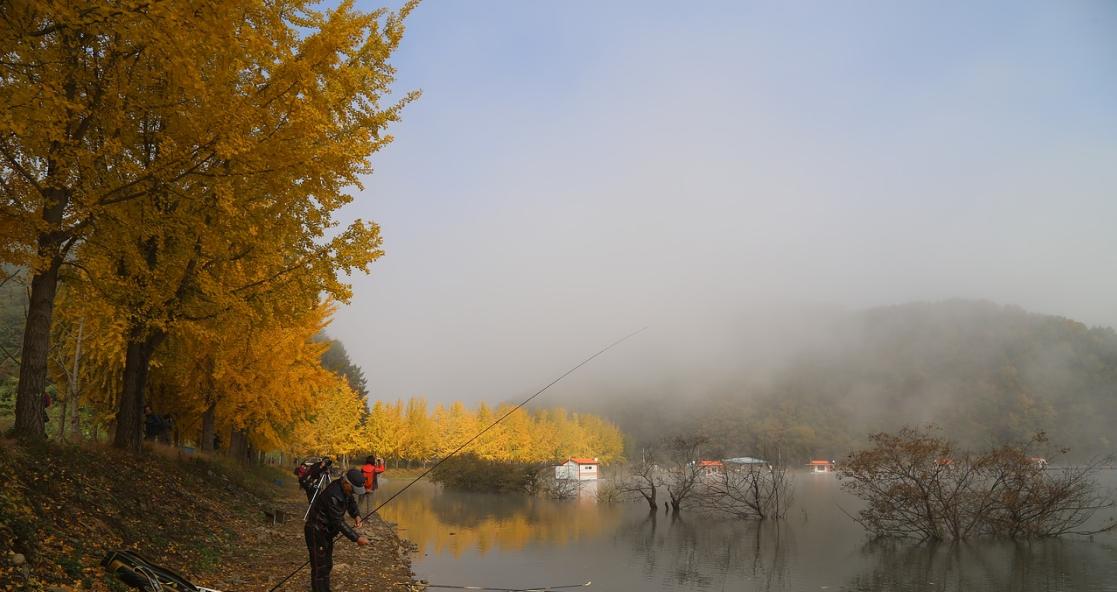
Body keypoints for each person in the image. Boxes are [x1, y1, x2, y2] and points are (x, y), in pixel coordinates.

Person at [305, 468, 369, 591]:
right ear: (346, 483)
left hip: (327, 532)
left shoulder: (345, 490)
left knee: (327, 564)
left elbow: (351, 502)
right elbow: (338, 522)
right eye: (353, 489)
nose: (354, 492)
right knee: (319, 567)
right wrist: (357, 538)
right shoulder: (333, 495)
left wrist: (356, 515)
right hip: (316, 531)